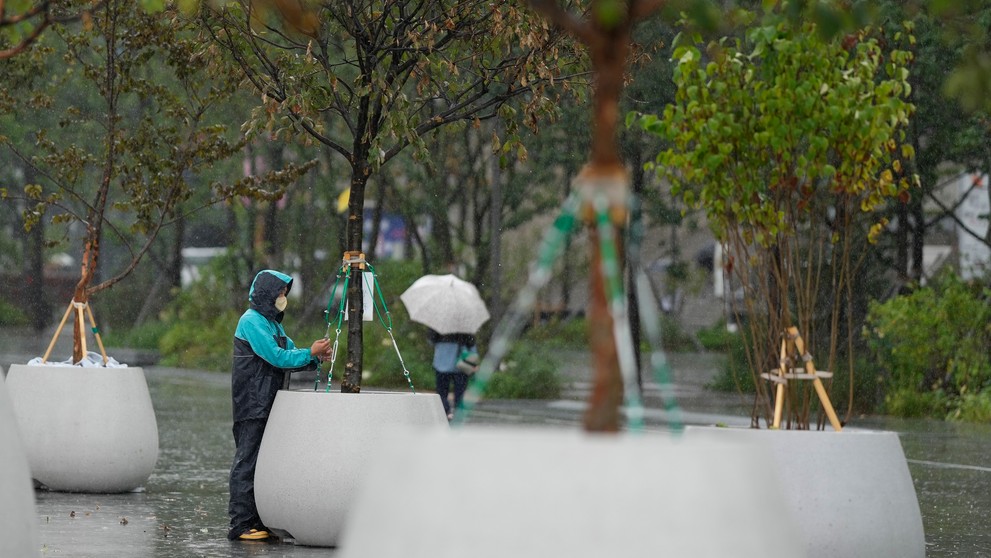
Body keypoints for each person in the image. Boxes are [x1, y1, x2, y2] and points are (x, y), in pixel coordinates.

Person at [227, 269, 331, 542]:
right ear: (267, 294)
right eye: (280, 293)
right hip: (252, 403)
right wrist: (310, 352)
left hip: (269, 402)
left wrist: (315, 357)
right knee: (247, 462)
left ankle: (259, 520)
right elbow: (277, 357)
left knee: (264, 464)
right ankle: (240, 523)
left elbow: (292, 352)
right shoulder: (251, 321)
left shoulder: (273, 324)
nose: (283, 298)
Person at [428, 329, 478, 421]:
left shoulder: (439, 325)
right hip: (461, 364)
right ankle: (458, 414)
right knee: (460, 392)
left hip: (441, 362)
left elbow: (431, 341)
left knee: (442, 392)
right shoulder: (465, 326)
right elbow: (472, 345)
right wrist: (474, 362)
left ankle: (445, 412)